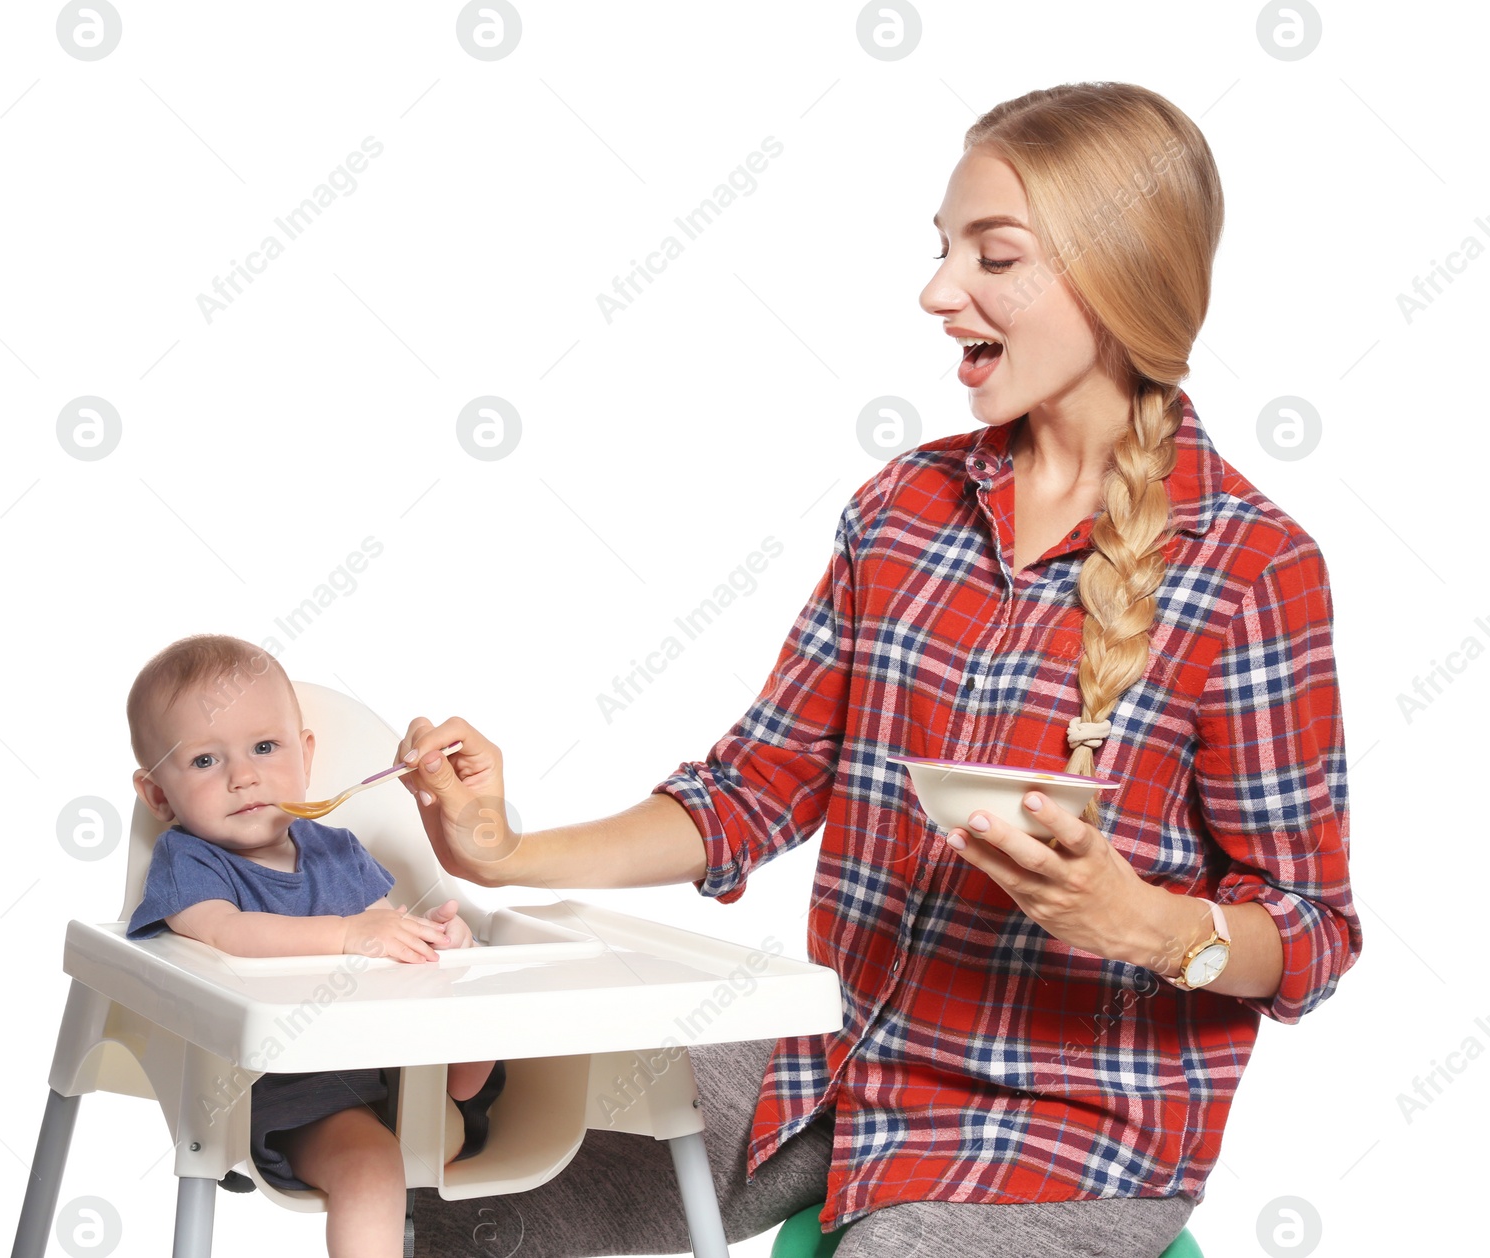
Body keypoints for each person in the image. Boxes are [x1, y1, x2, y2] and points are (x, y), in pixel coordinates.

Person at [395, 81, 1360, 1257]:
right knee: (466, 1205)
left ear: (1117, 277)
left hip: (1073, 1130)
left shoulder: (1253, 567)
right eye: (942, 248)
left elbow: (1308, 926)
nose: (937, 291)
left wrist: (1145, 922)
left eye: (990, 256)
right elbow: (756, 787)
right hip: (839, 1056)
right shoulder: (903, 508)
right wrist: (505, 850)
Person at [124, 633, 506, 1258]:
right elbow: (228, 934)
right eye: (203, 762)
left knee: (471, 978)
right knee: (373, 1168)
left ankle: (462, 1070)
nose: (243, 776)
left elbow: (387, 933)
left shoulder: (337, 849)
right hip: (299, 1089)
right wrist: (347, 934)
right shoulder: (189, 861)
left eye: (264, 747)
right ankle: (438, 1097)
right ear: (158, 795)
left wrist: (437, 942)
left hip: (391, 1063)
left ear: (304, 755)